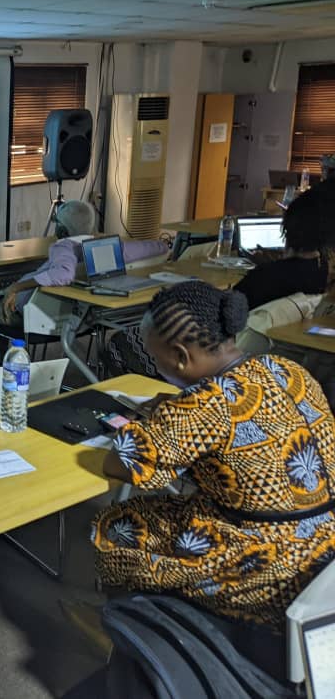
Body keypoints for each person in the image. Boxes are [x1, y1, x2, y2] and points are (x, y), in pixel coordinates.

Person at [92, 281, 335, 629]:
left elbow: (118, 464)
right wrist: (180, 409)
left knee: (116, 523)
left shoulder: (206, 404)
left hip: (274, 568)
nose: (156, 365)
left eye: (156, 358)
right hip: (325, 549)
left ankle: (138, 629)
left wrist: (159, 419)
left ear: (180, 356)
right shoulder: (287, 369)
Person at [0, 200, 168, 327]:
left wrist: (16, 287)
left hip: (28, 312)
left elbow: (63, 274)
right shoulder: (103, 247)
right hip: (79, 317)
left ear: (62, 230)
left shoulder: (64, 247)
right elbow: (153, 248)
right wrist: (164, 246)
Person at [232, 179, 335, 310]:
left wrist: (269, 267)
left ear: (286, 229)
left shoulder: (260, 278)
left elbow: (229, 306)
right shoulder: (324, 276)